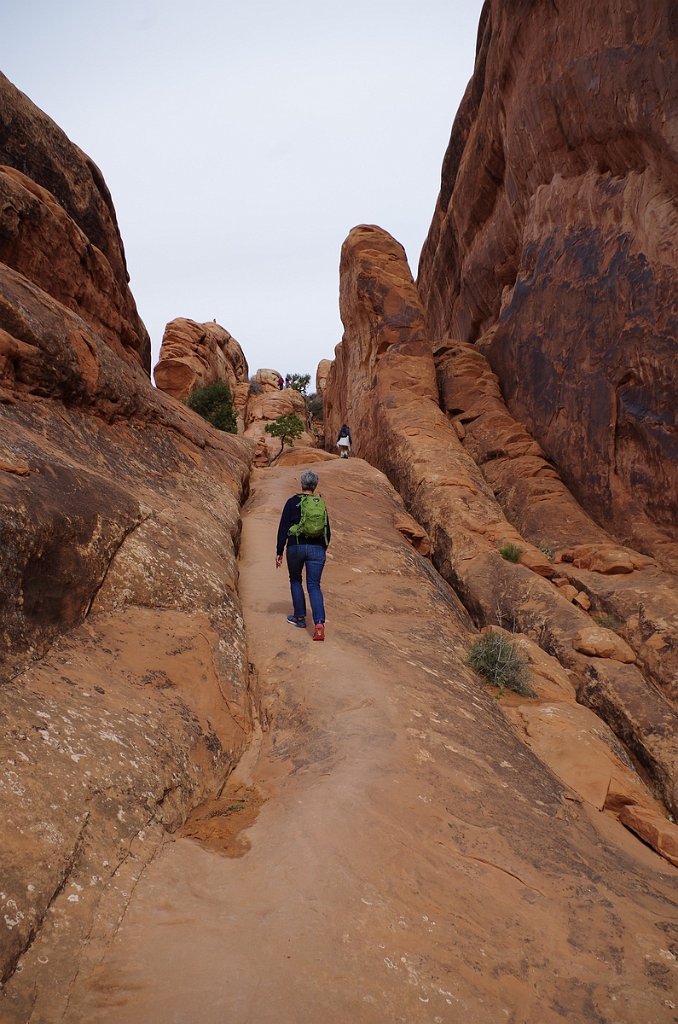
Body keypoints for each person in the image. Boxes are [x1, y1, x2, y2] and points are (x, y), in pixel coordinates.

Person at [275, 470, 331, 641]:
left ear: (301, 484)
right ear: (315, 485)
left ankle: (299, 618)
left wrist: (279, 551)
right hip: (317, 549)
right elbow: (327, 528)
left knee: (295, 580)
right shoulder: (319, 503)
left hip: (296, 547)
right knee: (314, 585)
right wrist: (322, 548)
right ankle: (319, 622)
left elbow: (283, 528)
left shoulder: (292, 502)